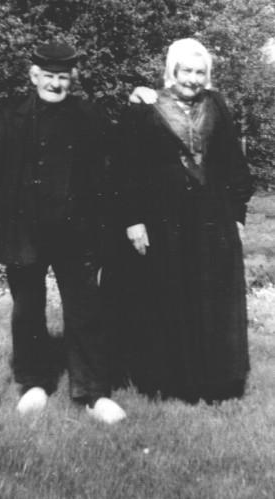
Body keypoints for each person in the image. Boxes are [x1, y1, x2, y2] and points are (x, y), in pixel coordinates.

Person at [0, 41, 126, 423]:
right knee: (28, 312)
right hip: (22, 229)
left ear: (72, 77)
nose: (55, 84)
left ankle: (93, 393)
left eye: (62, 77)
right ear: (33, 74)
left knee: (86, 310)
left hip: (78, 230)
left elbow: (113, 164)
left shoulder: (89, 115)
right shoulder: (10, 115)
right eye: (48, 76)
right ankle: (34, 384)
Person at [115, 38, 254, 402]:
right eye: (186, 71)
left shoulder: (217, 105)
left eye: (199, 72)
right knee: (168, 296)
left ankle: (217, 384)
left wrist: (237, 213)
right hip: (165, 220)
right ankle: (169, 383)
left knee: (212, 300)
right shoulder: (146, 107)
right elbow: (127, 168)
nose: (192, 79)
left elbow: (231, 162)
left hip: (212, 219)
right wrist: (134, 220)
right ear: (172, 71)